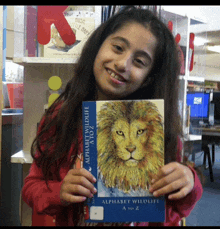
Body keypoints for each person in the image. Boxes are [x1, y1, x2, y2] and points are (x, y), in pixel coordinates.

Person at [22, 6, 203, 226]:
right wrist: (59, 192)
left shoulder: (157, 127)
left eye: (139, 62)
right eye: (118, 48)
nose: (122, 64)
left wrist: (190, 183)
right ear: (98, 46)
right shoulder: (62, 116)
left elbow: (173, 211)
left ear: (148, 77)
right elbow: (32, 187)